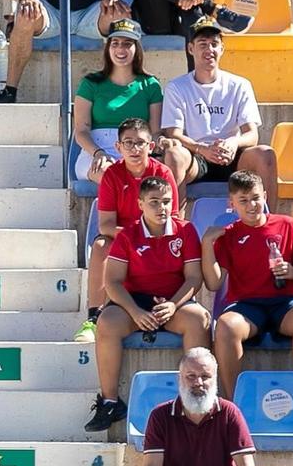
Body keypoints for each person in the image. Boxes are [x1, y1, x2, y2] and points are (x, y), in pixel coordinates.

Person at [86, 171, 209, 432]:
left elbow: (194, 278)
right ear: (140, 204)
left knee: (198, 320)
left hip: (173, 299)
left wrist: (174, 305)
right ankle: (109, 401)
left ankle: (196, 399)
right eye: (154, 201)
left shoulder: (185, 231)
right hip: (135, 301)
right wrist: (135, 311)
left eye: (166, 201)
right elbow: (113, 282)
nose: (161, 207)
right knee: (106, 322)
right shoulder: (128, 234)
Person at [204, 169, 293, 388]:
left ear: (265, 196)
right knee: (226, 327)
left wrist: (292, 271)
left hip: (284, 303)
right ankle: (234, 406)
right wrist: (207, 245)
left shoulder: (286, 224)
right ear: (232, 203)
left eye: (255, 198)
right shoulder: (228, 234)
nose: (251, 205)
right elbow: (214, 283)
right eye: (243, 200)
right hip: (246, 306)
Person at [79, 114, 178, 344]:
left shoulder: (162, 173)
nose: (135, 149)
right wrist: (133, 237)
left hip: (158, 238)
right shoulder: (112, 175)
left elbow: (172, 218)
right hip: (123, 238)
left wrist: (148, 236)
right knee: (101, 244)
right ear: (118, 147)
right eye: (128, 143)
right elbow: (105, 224)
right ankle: (94, 317)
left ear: (151, 146)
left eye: (140, 143)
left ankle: (165, 307)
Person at [160, 20, 276, 204]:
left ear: (222, 48)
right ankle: (175, 227)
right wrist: (202, 149)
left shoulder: (239, 85)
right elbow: (173, 134)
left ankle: (270, 225)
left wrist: (233, 143)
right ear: (191, 49)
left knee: (265, 154)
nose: (209, 49)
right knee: (174, 154)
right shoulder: (177, 87)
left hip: (232, 156)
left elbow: (251, 135)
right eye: (202, 44)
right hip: (196, 157)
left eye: (214, 44)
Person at [73, 19, 163, 188]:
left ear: (136, 48)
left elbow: (155, 132)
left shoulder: (151, 85)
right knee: (112, 175)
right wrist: (98, 153)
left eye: (127, 44)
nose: (120, 49)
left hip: (136, 151)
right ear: (108, 48)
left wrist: (162, 143)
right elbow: (81, 131)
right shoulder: (91, 83)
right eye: (115, 43)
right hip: (97, 150)